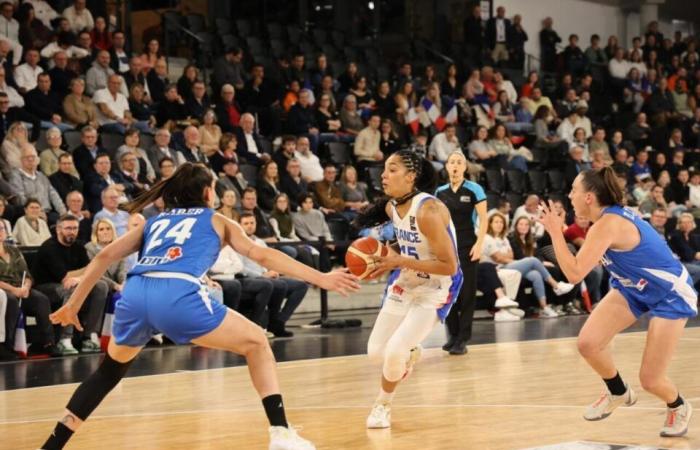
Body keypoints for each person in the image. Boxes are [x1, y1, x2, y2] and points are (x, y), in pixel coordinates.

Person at [44, 162, 359, 449]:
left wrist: (73, 305)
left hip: (136, 294)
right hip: (177, 294)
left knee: (108, 373)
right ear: (208, 192)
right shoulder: (216, 219)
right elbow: (261, 255)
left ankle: (52, 445)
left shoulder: (156, 221)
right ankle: (281, 433)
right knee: (257, 343)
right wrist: (320, 276)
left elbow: (102, 257)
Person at [538, 166, 697, 437]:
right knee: (588, 344)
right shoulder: (604, 221)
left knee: (651, 380)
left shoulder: (608, 224)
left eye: (574, 190)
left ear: (589, 197)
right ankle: (618, 391)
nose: (570, 195)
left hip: (669, 294)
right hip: (632, 288)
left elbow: (575, 273)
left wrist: (555, 232)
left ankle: (678, 405)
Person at [353, 150, 463, 429]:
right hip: (407, 281)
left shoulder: (429, 210)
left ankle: (382, 406)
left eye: (391, 169)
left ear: (411, 177)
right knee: (375, 353)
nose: (383, 175)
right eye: (384, 169)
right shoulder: (392, 207)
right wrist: (378, 258)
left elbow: (449, 265)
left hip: (437, 288)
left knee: (393, 354)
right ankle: (411, 351)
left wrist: (399, 260)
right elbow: (409, 245)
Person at [434, 151, 491, 355]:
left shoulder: (474, 189)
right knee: (449, 293)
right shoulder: (439, 192)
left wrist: (479, 244)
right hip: (447, 248)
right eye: (452, 162)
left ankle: (463, 339)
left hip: (468, 246)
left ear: (465, 167)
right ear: (447, 167)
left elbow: (484, 219)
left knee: (467, 293)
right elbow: (435, 221)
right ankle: (453, 335)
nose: (456, 165)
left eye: (459, 162)